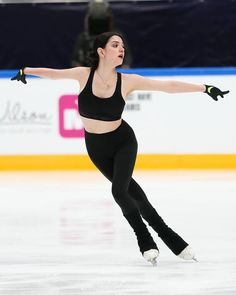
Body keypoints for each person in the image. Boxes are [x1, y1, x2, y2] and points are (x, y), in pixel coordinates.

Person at [11, 32, 229, 266]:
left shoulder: (128, 81)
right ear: (101, 51)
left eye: (122, 45)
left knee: (119, 191)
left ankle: (145, 240)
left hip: (123, 141)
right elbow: (53, 74)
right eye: (115, 45)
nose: (121, 49)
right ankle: (174, 241)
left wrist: (204, 88)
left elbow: (168, 86)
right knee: (132, 192)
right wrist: (26, 70)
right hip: (96, 148)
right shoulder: (84, 75)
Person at [71, 0, 132, 69]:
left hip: (114, 72)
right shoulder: (84, 37)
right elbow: (76, 61)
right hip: (89, 72)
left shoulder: (116, 36)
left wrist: (124, 69)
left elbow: (126, 58)